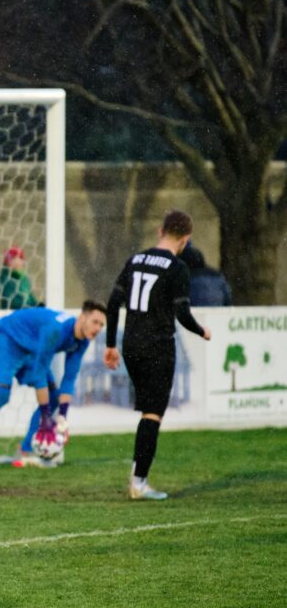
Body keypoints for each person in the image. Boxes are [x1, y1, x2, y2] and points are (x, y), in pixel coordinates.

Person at [104, 210, 211, 500]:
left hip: (131, 346)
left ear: (159, 231)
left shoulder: (135, 260)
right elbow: (182, 313)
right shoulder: (177, 268)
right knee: (153, 414)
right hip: (158, 347)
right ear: (186, 240)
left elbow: (113, 303)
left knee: (147, 412)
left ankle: (138, 476)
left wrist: (111, 344)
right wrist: (202, 331)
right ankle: (139, 483)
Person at [0, 301, 107, 469]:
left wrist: (62, 417)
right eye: (95, 322)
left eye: (102, 324)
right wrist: (46, 417)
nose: (98, 328)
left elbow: (69, 378)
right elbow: (39, 375)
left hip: (30, 349)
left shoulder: (82, 341)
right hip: (5, 339)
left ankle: (24, 453)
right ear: (82, 317)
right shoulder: (56, 330)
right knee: (1, 395)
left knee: (55, 397)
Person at [0, 246, 40, 310]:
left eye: (20, 258)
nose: (17, 261)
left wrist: (36, 304)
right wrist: (30, 306)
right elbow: (13, 299)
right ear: (7, 262)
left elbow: (29, 295)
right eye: (13, 258)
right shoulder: (6, 278)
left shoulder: (23, 277)